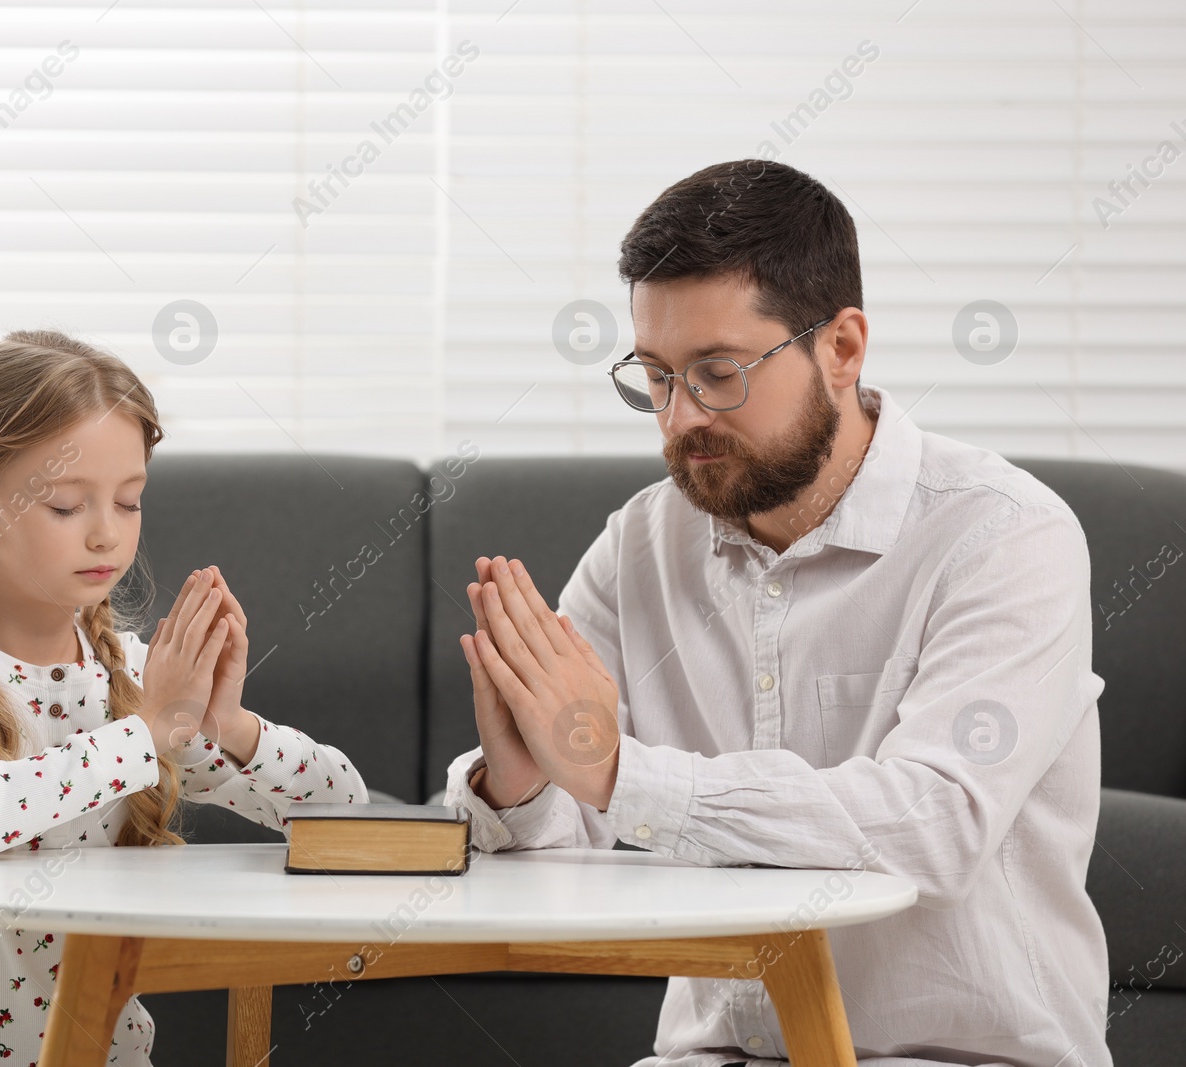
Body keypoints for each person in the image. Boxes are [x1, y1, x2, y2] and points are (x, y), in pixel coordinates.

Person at [444, 160, 1110, 1067]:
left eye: (718, 373)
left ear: (841, 348)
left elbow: (936, 821)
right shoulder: (640, 545)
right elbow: (575, 823)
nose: (680, 420)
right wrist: (522, 784)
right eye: (655, 377)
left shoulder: (1006, 535)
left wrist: (614, 772)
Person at [0, 329, 369, 1066]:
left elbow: (343, 813)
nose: (106, 535)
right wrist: (149, 731)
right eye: (66, 507)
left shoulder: (132, 674)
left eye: (128, 502)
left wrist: (228, 725)